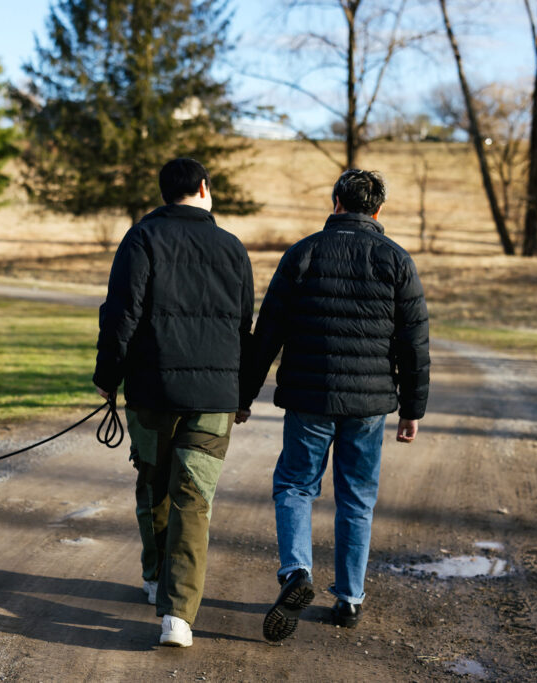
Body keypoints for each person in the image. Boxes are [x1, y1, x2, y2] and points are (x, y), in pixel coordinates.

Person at [238, 168, 429, 642]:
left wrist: (244, 395)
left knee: (295, 485)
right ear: (378, 210)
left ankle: (296, 572)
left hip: (309, 397)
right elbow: (414, 344)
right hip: (368, 404)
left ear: (336, 202)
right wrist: (412, 409)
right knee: (357, 496)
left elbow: (268, 331)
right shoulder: (396, 259)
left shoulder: (303, 253)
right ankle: (349, 599)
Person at [93, 158, 254, 648]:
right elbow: (243, 327)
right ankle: (178, 617)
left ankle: (154, 577)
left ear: (165, 192)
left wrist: (107, 377)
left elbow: (121, 313)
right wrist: (242, 395)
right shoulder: (233, 247)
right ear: (204, 188)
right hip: (214, 399)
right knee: (194, 499)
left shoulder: (141, 237)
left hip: (152, 391)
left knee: (153, 485)